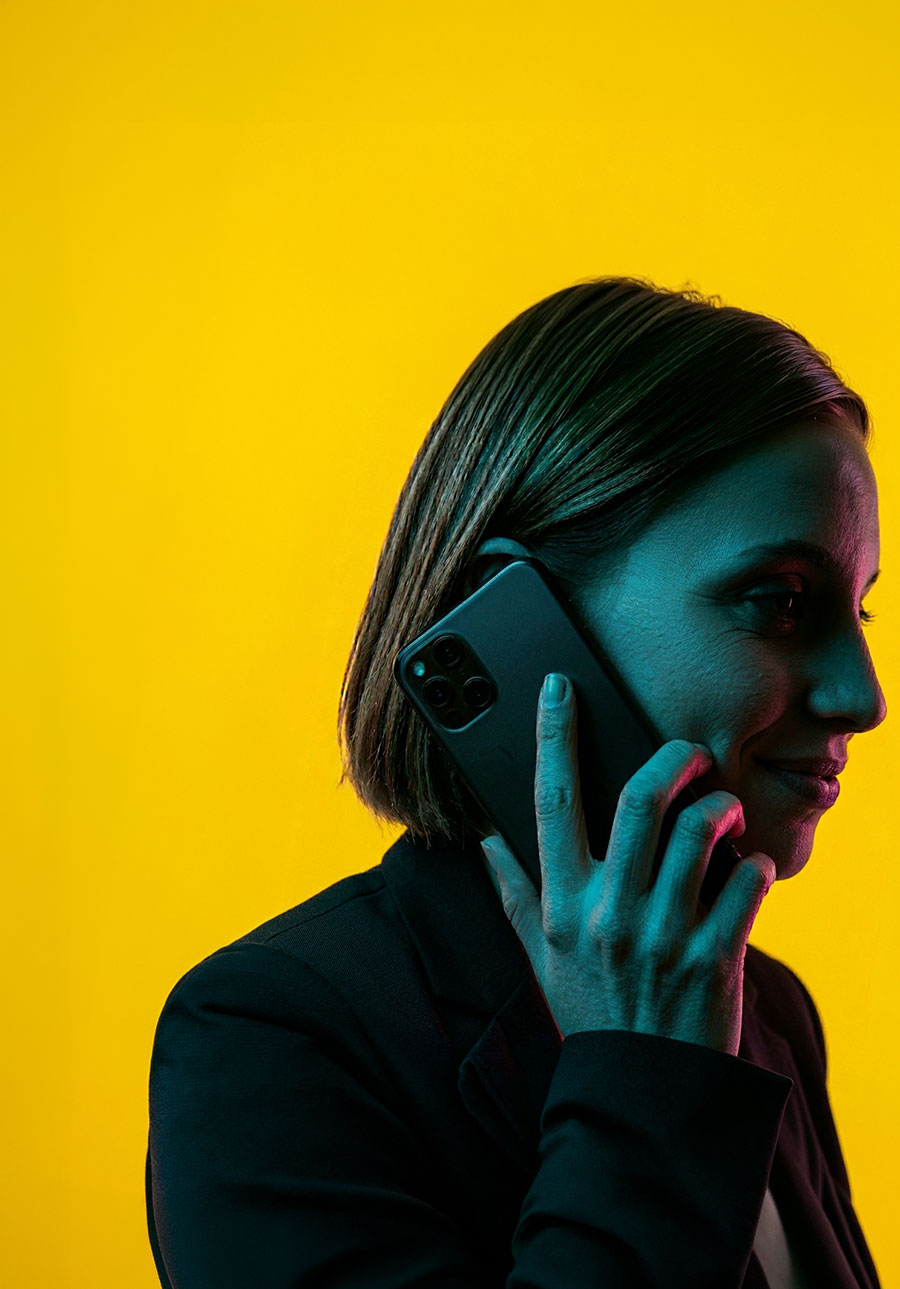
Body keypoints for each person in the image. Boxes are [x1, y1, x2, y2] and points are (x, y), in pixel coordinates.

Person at [146, 276, 885, 1288]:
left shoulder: (766, 1009)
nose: (863, 696)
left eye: (861, 610)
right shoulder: (272, 1040)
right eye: (780, 601)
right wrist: (647, 1075)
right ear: (516, 616)